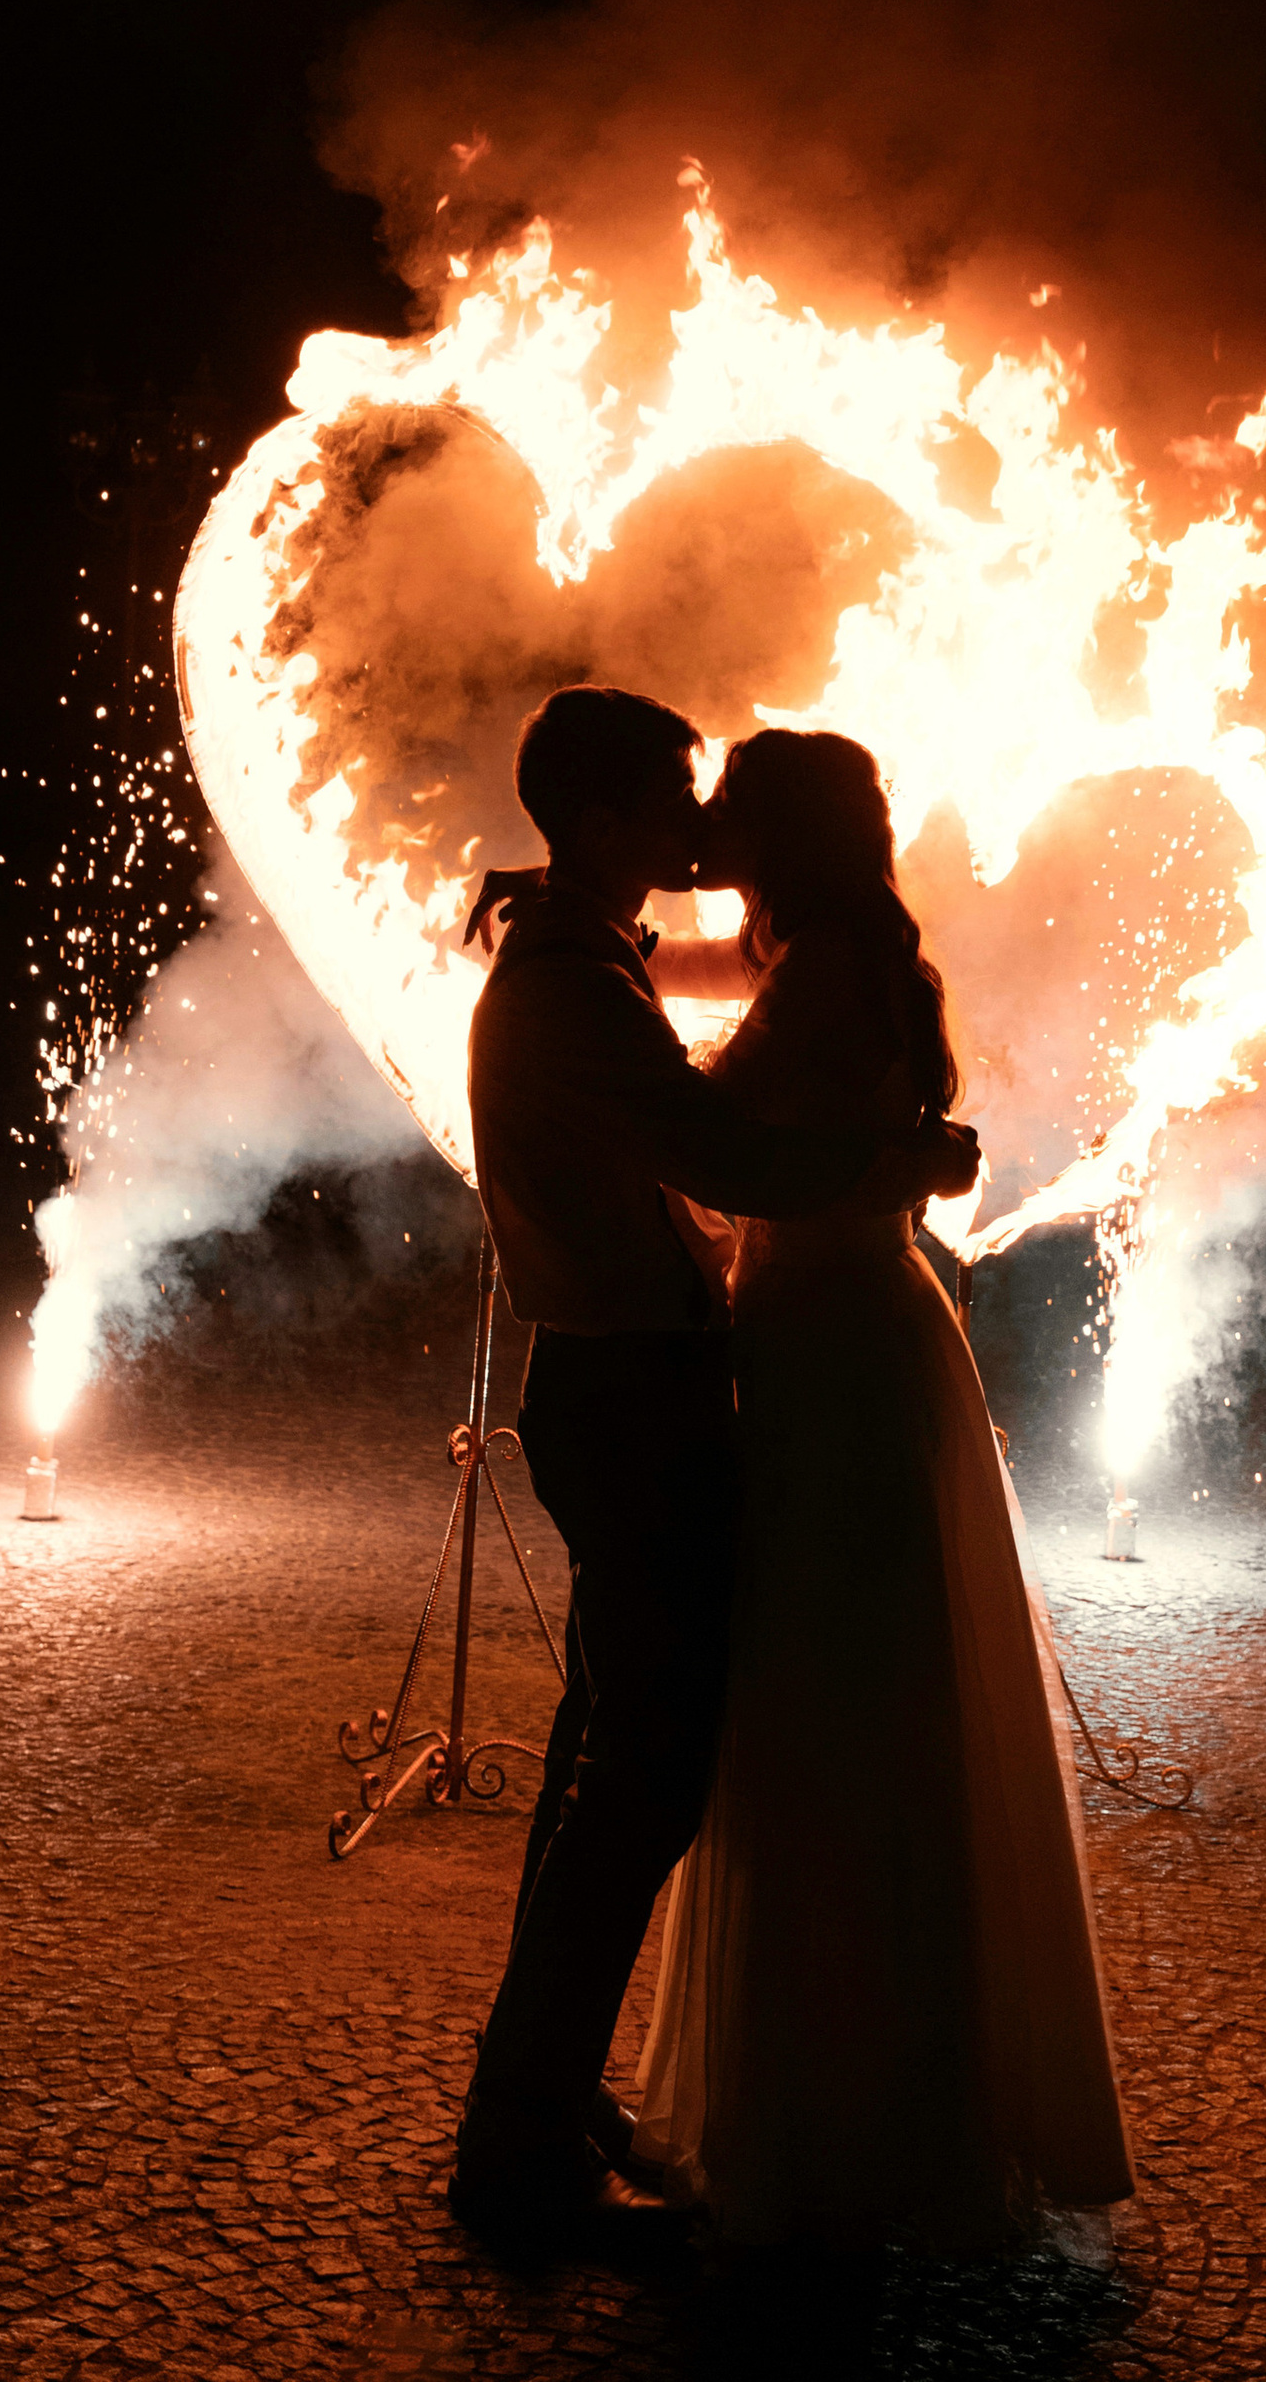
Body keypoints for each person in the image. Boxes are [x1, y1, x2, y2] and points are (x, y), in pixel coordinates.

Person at [448, 686, 980, 2255]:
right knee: (642, 1784)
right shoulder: (572, 983)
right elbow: (726, 1156)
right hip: (630, 1395)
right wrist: (896, 1166)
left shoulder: (583, 960)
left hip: (637, 1384)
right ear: (608, 822)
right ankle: (521, 2130)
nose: (700, 827)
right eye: (678, 797)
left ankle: (531, 2096)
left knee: (608, 1765)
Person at [633, 727, 1136, 2250]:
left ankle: (846, 2122)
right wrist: (610, 940)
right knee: (859, 1698)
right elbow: (723, 1011)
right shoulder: (840, 951)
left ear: (776, 842)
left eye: (727, 819)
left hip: (833, 1343)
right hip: (854, 1319)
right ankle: (889, 2097)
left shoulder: (827, 971)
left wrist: (604, 1004)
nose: (704, 834)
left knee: (832, 1709)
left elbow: (715, 1143)